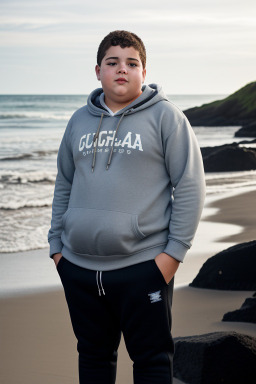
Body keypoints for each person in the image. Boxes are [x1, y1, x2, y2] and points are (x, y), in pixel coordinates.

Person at [48, 30, 206, 384]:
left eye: (132, 63)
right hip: (78, 268)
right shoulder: (78, 121)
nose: (122, 69)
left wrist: (171, 257)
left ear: (143, 73)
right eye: (113, 62)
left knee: (151, 362)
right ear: (98, 71)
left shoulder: (167, 117)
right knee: (92, 358)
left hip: (143, 268)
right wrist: (57, 248)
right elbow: (64, 183)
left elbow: (192, 185)